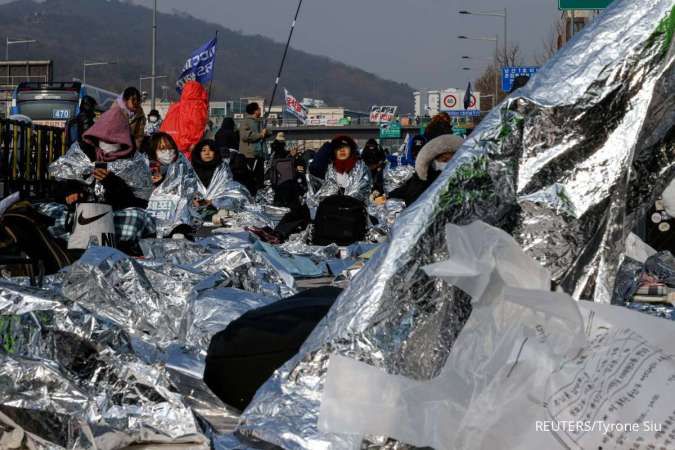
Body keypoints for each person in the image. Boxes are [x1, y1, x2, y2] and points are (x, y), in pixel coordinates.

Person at [383, 134, 463, 206]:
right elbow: (407, 189)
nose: (447, 163)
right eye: (444, 160)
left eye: (451, 160)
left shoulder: (458, 180)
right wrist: (387, 196)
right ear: (434, 159)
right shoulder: (424, 175)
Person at [240, 102, 270, 189]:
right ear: (255, 111)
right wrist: (260, 135)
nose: (260, 110)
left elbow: (267, 132)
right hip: (250, 155)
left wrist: (266, 132)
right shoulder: (245, 122)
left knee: (260, 178)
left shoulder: (260, 121)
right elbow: (245, 136)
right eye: (259, 109)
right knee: (251, 177)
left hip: (260, 154)